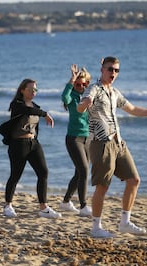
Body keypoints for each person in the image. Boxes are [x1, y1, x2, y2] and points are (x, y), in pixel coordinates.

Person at [77, 56, 147, 238]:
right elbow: (82, 105)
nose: (113, 73)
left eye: (116, 70)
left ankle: (125, 222)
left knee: (134, 180)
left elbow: (133, 110)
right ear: (102, 69)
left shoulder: (114, 92)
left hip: (118, 142)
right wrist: (83, 105)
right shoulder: (94, 89)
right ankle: (96, 227)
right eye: (110, 69)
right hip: (101, 143)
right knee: (102, 186)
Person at [2, 78, 61, 219]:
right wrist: (45, 113)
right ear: (22, 90)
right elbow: (27, 110)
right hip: (18, 145)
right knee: (15, 175)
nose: (34, 92)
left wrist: (35, 138)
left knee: (43, 172)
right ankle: (8, 205)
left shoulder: (35, 105)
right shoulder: (17, 104)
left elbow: (35, 123)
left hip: (33, 144)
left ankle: (43, 207)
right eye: (31, 89)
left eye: (35, 89)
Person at [59, 64, 92, 217]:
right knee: (84, 170)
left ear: (87, 84)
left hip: (88, 138)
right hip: (74, 138)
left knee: (80, 173)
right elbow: (63, 97)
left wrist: (103, 70)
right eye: (78, 84)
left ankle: (66, 202)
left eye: (83, 84)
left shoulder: (90, 96)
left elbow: (103, 89)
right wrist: (71, 81)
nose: (80, 86)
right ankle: (84, 206)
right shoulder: (71, 97)